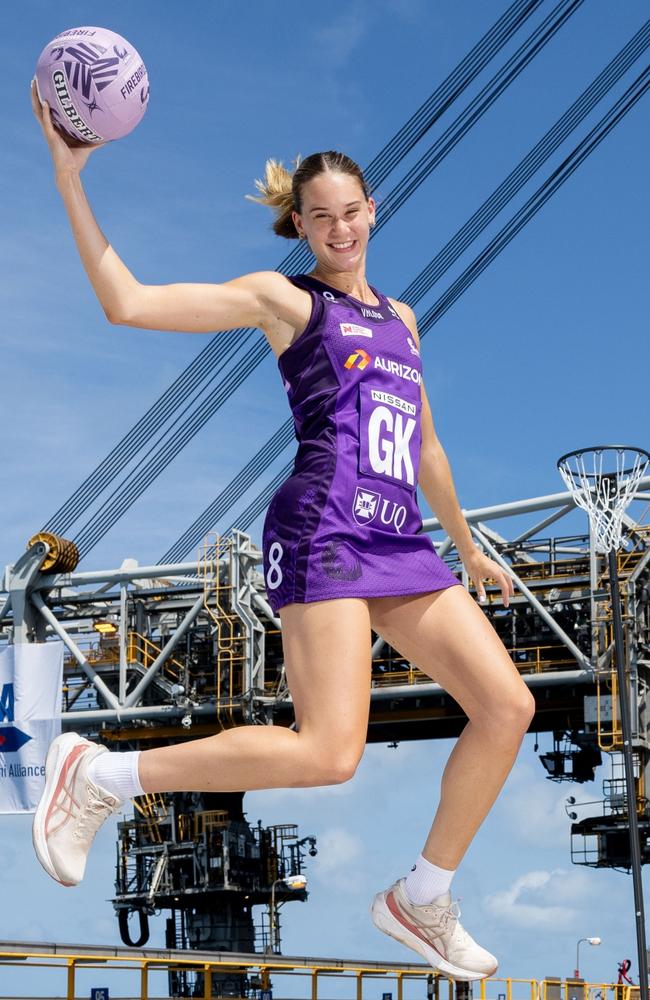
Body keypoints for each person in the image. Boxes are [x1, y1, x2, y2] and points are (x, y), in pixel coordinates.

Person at [29, 80, 534, 982]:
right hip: (324, 527)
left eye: (352, 212)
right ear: (299, 226)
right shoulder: (286, 303)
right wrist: (71, 176)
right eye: (321, 217)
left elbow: (426, 445)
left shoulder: (404, 321)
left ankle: (421, 897)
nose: (340, 229)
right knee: (329, 753)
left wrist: (464, 543)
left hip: (400, 538)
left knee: (508, 707)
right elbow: (129, 304)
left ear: (373, 211)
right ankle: (98, 777)